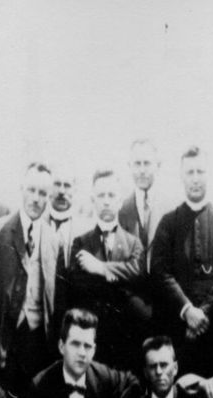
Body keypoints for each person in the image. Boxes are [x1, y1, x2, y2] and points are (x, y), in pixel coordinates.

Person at [151, 145, 213, 377]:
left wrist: (202, 315)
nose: (196, 178)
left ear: (209, 175)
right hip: (177, 331)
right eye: (190, 172)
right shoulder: (169, 222)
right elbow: (160, 272)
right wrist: (187, 310)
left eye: (200, 171)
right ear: (181, 176)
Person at [0, 162, 59, 398]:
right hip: (3, 341)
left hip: (38, 342)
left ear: (49, 197)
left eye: (42, 193)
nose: (36, 198)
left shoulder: (54, 240)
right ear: (21, 189)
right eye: (31, 190)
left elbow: (57, 299)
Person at [66, 169, 148, 372]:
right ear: (93, 200)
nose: (106, 201)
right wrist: (120, 278)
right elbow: (78, 285)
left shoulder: (134, 243)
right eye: (101, 195)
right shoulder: (81, 243)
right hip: (92, 335)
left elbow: (137, 273)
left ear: (120, 201)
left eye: (111, 195)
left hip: (126, 335)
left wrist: (100, 268)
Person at [119, 138, 169, 253]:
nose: (142, 170)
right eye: (137, 164)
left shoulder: (171, 209)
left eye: (147, 163)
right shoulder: (121, 210)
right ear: (129, 166)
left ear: (158, 165)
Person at [45, 162, 93, 272]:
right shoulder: (36, 225)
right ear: (49, 187)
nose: (61, 191)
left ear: (75, 190)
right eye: (57, 184)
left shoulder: (86, 231)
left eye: (67, 185)